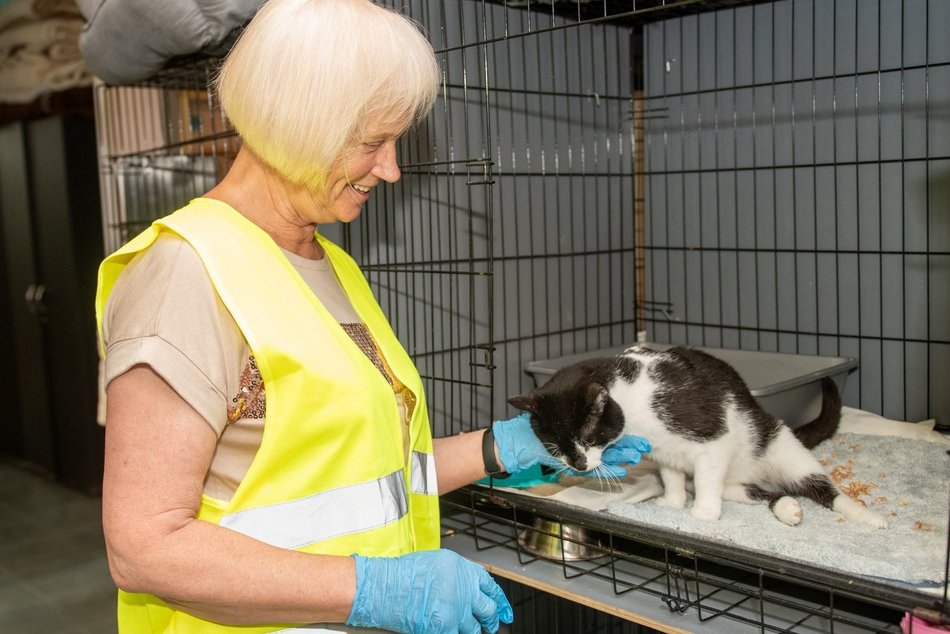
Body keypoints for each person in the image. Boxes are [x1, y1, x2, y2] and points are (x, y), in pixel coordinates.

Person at [95, 0, 650, 632]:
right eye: (371, 143)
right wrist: (374, 587)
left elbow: (369, 473)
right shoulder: (184, 275)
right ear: (296, 121)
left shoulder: (331, 265)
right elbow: (145, 547)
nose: (390, 169)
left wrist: (508, 446)